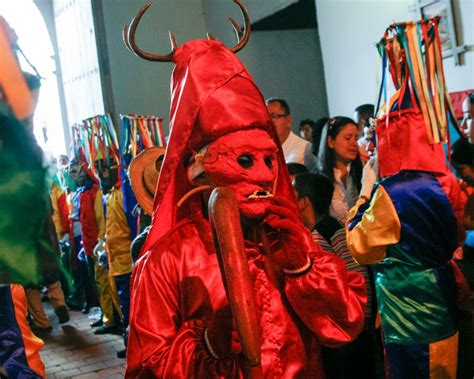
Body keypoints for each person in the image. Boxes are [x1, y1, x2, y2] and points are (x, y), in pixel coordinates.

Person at [124, 22, 366, 377]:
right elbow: (146, 366)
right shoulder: (168, 258)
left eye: (269, 160)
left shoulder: (288, 237)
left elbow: (346, 324)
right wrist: (207, 344)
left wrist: (304, 268)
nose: (264, 174)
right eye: (244, 160)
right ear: (199, 169)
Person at [346, 18, 463, 378]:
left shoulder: (394, 193)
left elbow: (359, 245)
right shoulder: (446, 180)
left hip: (410, 316)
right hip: (440, 302)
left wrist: (366, 188)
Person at [293, 172, 382, 379]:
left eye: (292, 193)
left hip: (350, 334)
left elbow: (358, 275)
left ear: (304, 202)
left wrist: (360, 322)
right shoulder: (310, 234)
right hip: (332, 332)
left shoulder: (331, 230)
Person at [317, 116, 362, 223]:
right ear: (330, 141)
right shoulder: (319, 180)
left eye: (356, 138)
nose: (354, 143)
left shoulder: (363, 172)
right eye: (348, 138)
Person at [265, 97, 317, 170]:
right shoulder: (264, 151)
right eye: (265, 118)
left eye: (273, 116)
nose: (269, 122)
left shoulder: (305, 150)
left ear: (288, 120)